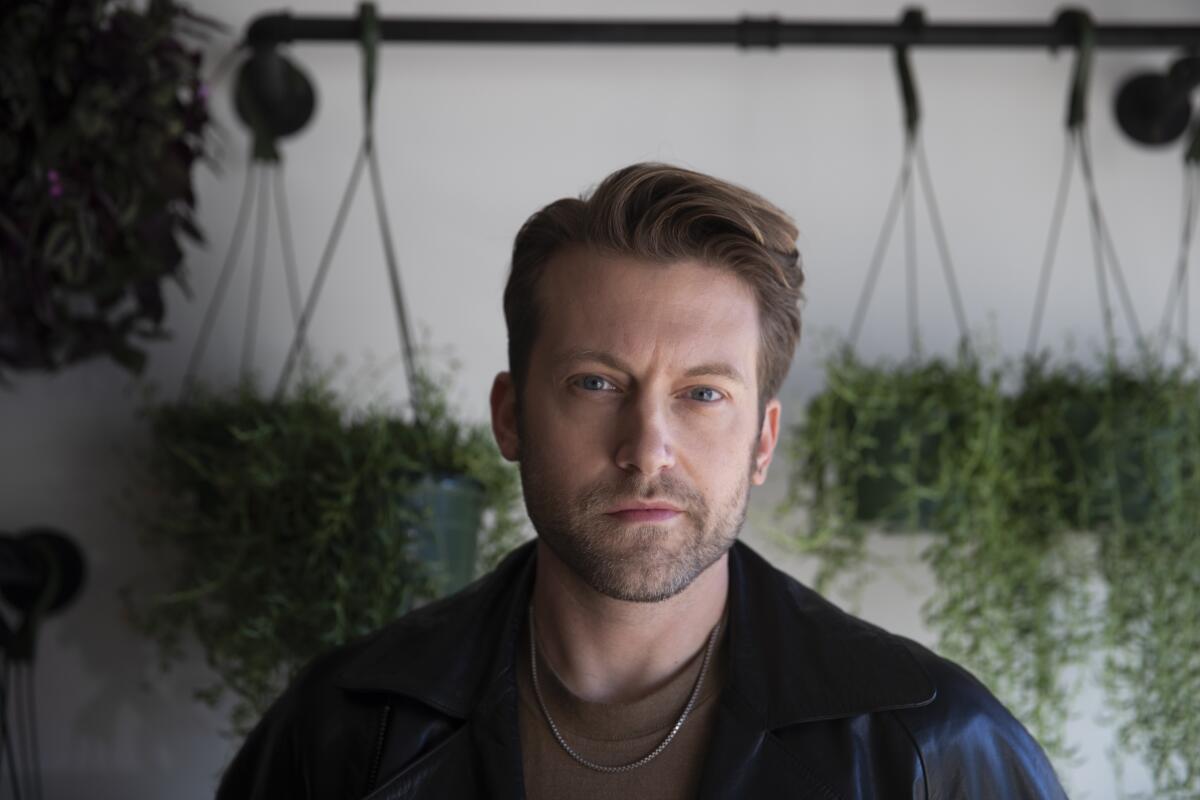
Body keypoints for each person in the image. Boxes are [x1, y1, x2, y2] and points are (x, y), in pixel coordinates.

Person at [215, 163, 1067, 799]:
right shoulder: (344, 729)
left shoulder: (928, 746)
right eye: (596, 383)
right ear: (509, 416)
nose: (647, 448)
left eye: (703, 394)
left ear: (763, 441)